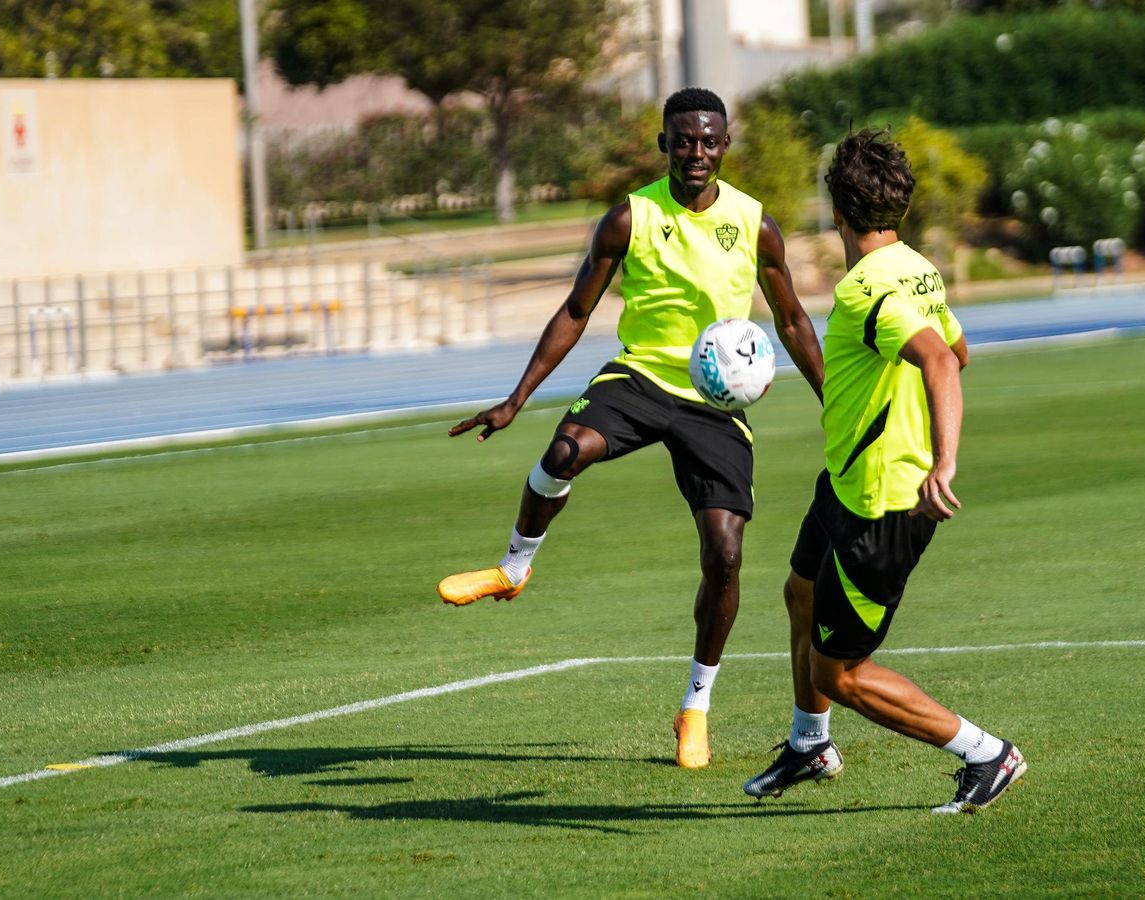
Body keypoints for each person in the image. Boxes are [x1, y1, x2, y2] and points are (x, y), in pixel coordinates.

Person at [436, 88, 825, 770]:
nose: (696, 152)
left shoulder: (755, 225)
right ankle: (513, 567)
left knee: (726, 552)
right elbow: (575, 310)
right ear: (664, 144)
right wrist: (516, 398)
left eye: (709, 141)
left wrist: (836, 399)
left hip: (714, 402)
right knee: (564, 451)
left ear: (725, 145)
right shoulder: (631, 218)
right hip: (640, 378)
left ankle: (695, 708)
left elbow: (792, 319)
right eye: (684, 140)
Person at [742, 129, 1025, 813]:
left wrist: (941, 460)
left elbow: (936, 357)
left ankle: (986, 754)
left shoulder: (866, 289)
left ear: (835, 208)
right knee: (799, 593)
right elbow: (960, 348)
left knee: (840, 674)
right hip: (843, 481)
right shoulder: (916, 267)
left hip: (882, 507)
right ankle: (810, 745)